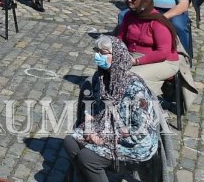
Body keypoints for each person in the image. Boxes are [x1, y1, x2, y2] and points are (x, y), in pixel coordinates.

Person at [63, 36, 161, 182]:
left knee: (87, 158)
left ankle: (103, 171)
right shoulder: (100, 78)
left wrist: (105, 138)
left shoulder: (134, 88)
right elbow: (93, 109)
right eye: (96, 51)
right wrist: (90, 128)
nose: (98, 56)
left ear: (117, 56)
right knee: (70, 142)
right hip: (105, 129)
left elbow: (141, 129)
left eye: (102, 53)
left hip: (133, 141)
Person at [116, 0, 180, 97]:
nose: (129, 0)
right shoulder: (129, 15)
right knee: (109, 70)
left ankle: (144, 106)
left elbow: (162, 53)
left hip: (164, 62)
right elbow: (121, 38)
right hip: (134, 56)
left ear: (144, 2)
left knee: (131, 76)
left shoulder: (157, 22)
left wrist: (137, 61)